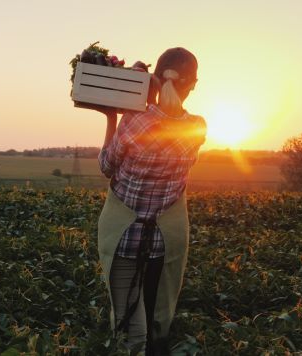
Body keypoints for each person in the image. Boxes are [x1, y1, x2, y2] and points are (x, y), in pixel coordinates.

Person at [95, 47, 206, 355]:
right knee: (156, 323)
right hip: (162, 242)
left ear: (155, 78)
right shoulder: (197, 128)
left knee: (130, 329)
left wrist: (112, 117)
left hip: (124, 240)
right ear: (193, 84)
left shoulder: (134, 121)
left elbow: (106, 167)